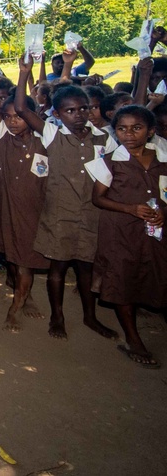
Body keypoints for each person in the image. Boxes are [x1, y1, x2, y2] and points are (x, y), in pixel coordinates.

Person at [15, 58, 120, 342]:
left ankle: (90, 316)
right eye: (70, 111)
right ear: (58, 114)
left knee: (86, 267)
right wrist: (24, 73)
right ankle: (57, 316)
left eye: (83, 108)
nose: (78, 115)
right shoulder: (52, 133)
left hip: (91, 214)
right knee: (58, 268)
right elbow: (22, 108)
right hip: (60, 214)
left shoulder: (103, 139)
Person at [87, 105, 167, 368]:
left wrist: (163, 211)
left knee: (155, 273)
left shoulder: (163, 160)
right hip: (120, 231)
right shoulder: (110, 162)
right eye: (122, 128)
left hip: (155, 232)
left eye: (137, 128)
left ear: (151, 131)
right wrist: (130, 209)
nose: (129, 134)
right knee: (121, 279)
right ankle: (133, 338)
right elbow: (98, 198)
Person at [0, 54, 48, 333]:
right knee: (13, 257)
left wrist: (24, 73)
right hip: (4, 208)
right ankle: (23, 292)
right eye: (8, 116)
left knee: (25, 261)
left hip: (35, 211)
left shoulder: (46, 139)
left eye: (19, 116)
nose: (13, 121)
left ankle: (16, 306)